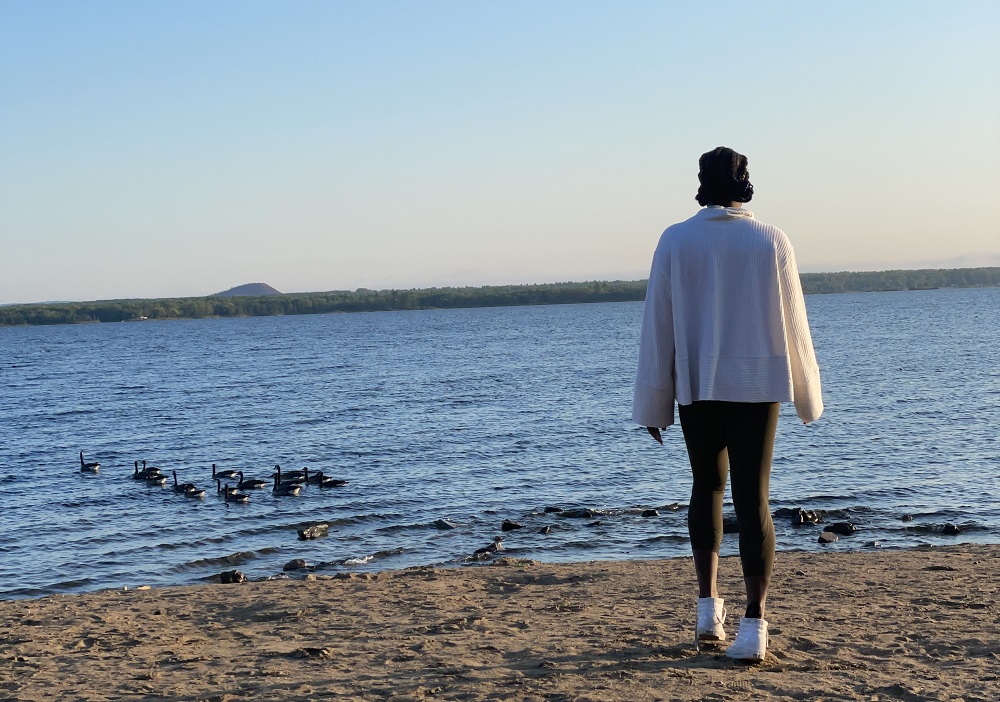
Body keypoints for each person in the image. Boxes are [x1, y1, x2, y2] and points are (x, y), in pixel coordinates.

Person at [632, 146, 823, 662]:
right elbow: (796, 323)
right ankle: (754, 625)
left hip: (698, 383)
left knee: (706, 487)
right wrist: (808, 395)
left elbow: (658, 326)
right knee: (753, 498)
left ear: (702, 184)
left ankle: (706, 609)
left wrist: (654, 403)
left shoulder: (674, 241)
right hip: (759, 382)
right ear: (745, 185)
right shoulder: (772, 240)